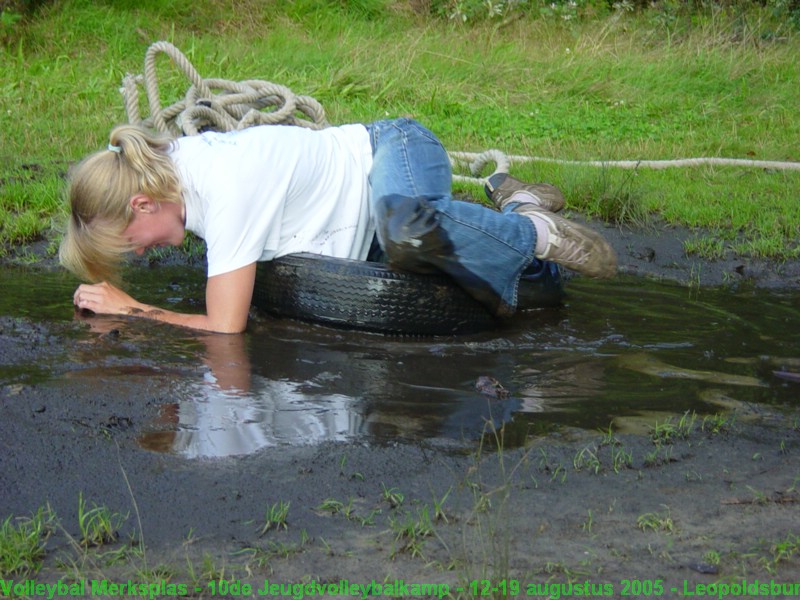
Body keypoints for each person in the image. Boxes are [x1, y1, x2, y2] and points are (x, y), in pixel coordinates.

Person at [60, 117, 617, 334]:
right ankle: (518, 206)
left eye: (125, 243)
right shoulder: (171, 178)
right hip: (362, 233)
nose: (134, 255)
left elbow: (225, 328)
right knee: (537, 294)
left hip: (391, 152)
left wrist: (130, 308)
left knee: (407, 227)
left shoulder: (222, 184)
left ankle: (536, 230)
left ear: (140, 205)